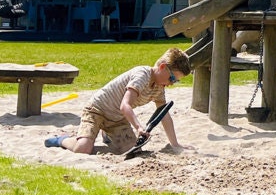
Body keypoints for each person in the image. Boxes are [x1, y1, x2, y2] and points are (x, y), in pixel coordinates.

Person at [45, 46, 192, 154]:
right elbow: (125, 105)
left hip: (116, 119)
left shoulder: (159, 87)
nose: (172, 83)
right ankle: (62, 140)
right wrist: (139, 127)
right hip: (96, 110)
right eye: (172, 78)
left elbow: (164, 115)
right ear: (162, 67)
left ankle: (106, 134)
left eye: (176, 81)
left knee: (132, 150)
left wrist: (175, 144)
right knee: (83, 149)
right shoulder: (142, 75)